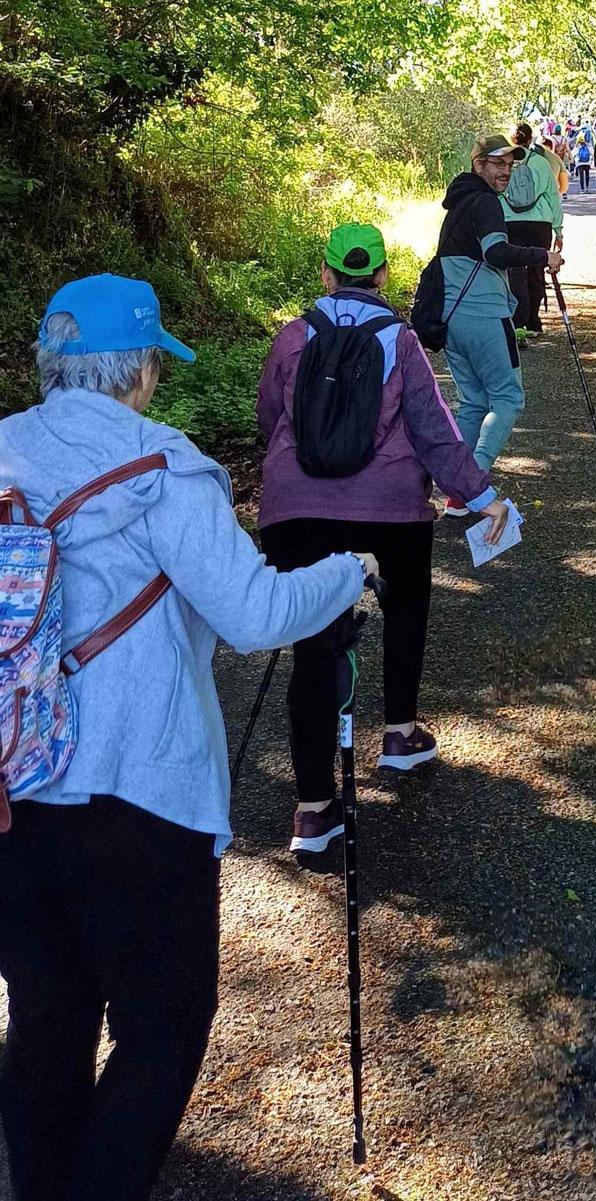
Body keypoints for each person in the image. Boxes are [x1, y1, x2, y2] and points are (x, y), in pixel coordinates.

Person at [0, 273, 377, 1201]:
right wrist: (345, 573)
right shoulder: (161, 468)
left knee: (45, 1017)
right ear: (136, 374)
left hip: (12, 787)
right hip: (140, 788)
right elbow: (252, 613)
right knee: (163, 1020)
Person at [257, 223, 511, 854]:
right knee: (405, 606)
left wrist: (298, 484)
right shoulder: (399, 339)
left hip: (296, 509)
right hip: (389, 509)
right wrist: (481, 497)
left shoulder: (291, 338)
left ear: (325, 273)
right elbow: (433, 429)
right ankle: (399, 734)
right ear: (382, 277)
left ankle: (313, 810)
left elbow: (269, 418)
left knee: (312, 647)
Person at [436, 134, 564, 480]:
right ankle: (473, 481)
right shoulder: (486, 203)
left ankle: (456, 489)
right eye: (498, 164)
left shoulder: (459, 203)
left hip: (450, 317)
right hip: (485, 315)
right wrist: (544, 255)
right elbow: (496, 252)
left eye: (510, 164)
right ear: (478, 165)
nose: (506, 171)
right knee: (508, 399)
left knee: (474, 402)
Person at [502, 123, 564, 340]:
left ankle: (517, 322)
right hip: (540, 223)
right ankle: (534, 322)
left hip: (511, 222)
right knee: (537, 269)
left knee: (515, 270)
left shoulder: (504, 163)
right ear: (530, 139)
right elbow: (553, 196)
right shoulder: (540, 162)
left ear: (512, 140)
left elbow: (498, 194)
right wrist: (558, 229)